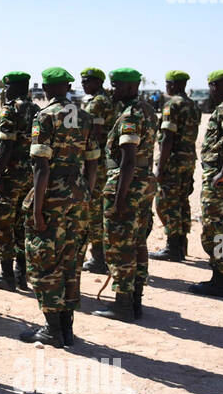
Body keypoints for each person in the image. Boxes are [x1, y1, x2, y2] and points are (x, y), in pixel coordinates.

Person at [18, 68, 99, 347]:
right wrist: (85, 191)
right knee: (71, 260)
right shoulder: (85, 116)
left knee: (45, 260)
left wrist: (38, 209)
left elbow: (41, 165)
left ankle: (53, 329)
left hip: (52, 195)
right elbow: (92, 160)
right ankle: (66, 329)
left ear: (46, 88)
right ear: (67, 86)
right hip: (78, 196)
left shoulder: (45, 116)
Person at [93, 68, 157, 322]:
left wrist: (120, 198)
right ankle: (135, 299)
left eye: (117, 86)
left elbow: (128, 159)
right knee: (138, 242)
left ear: (131, 87)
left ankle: (123, 303)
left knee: (120, 246)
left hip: (127, 184)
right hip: (143, 184)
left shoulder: (131, 115)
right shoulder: (148, 111)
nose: (112, 90)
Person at [188, 72, 223, 297]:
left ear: (215, 86)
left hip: (222, 180)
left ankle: (219, 280)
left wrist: (222, 172)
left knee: (217, 230)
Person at [0, 71, 35, 291]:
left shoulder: (11, 109)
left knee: (1, 223)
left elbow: (6, 145)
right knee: (22, 224)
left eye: (8, 88)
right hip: (30, 174)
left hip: (11, 174)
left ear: (13, 88)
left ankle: (6, 275)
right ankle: (21, 274)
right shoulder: (35, 109)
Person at [150, 70, 201, 261]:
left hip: (172, 161)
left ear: (173, 85)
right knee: (182, 200)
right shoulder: (193, 105)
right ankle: (181, 243)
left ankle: (172, 246)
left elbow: (167, 138)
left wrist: (160, 168)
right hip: (188, 160)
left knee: (166, 202)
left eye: (167, 83)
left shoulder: (172, 105)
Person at [79, 68, 115, 273]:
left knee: (94, 209)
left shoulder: (98, 102)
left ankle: (98, 258)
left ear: (98, 82)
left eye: (88, 81)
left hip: (97, 162)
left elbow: (94, 133)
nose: (84, 84)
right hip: (103, 160)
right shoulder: (105, 99)